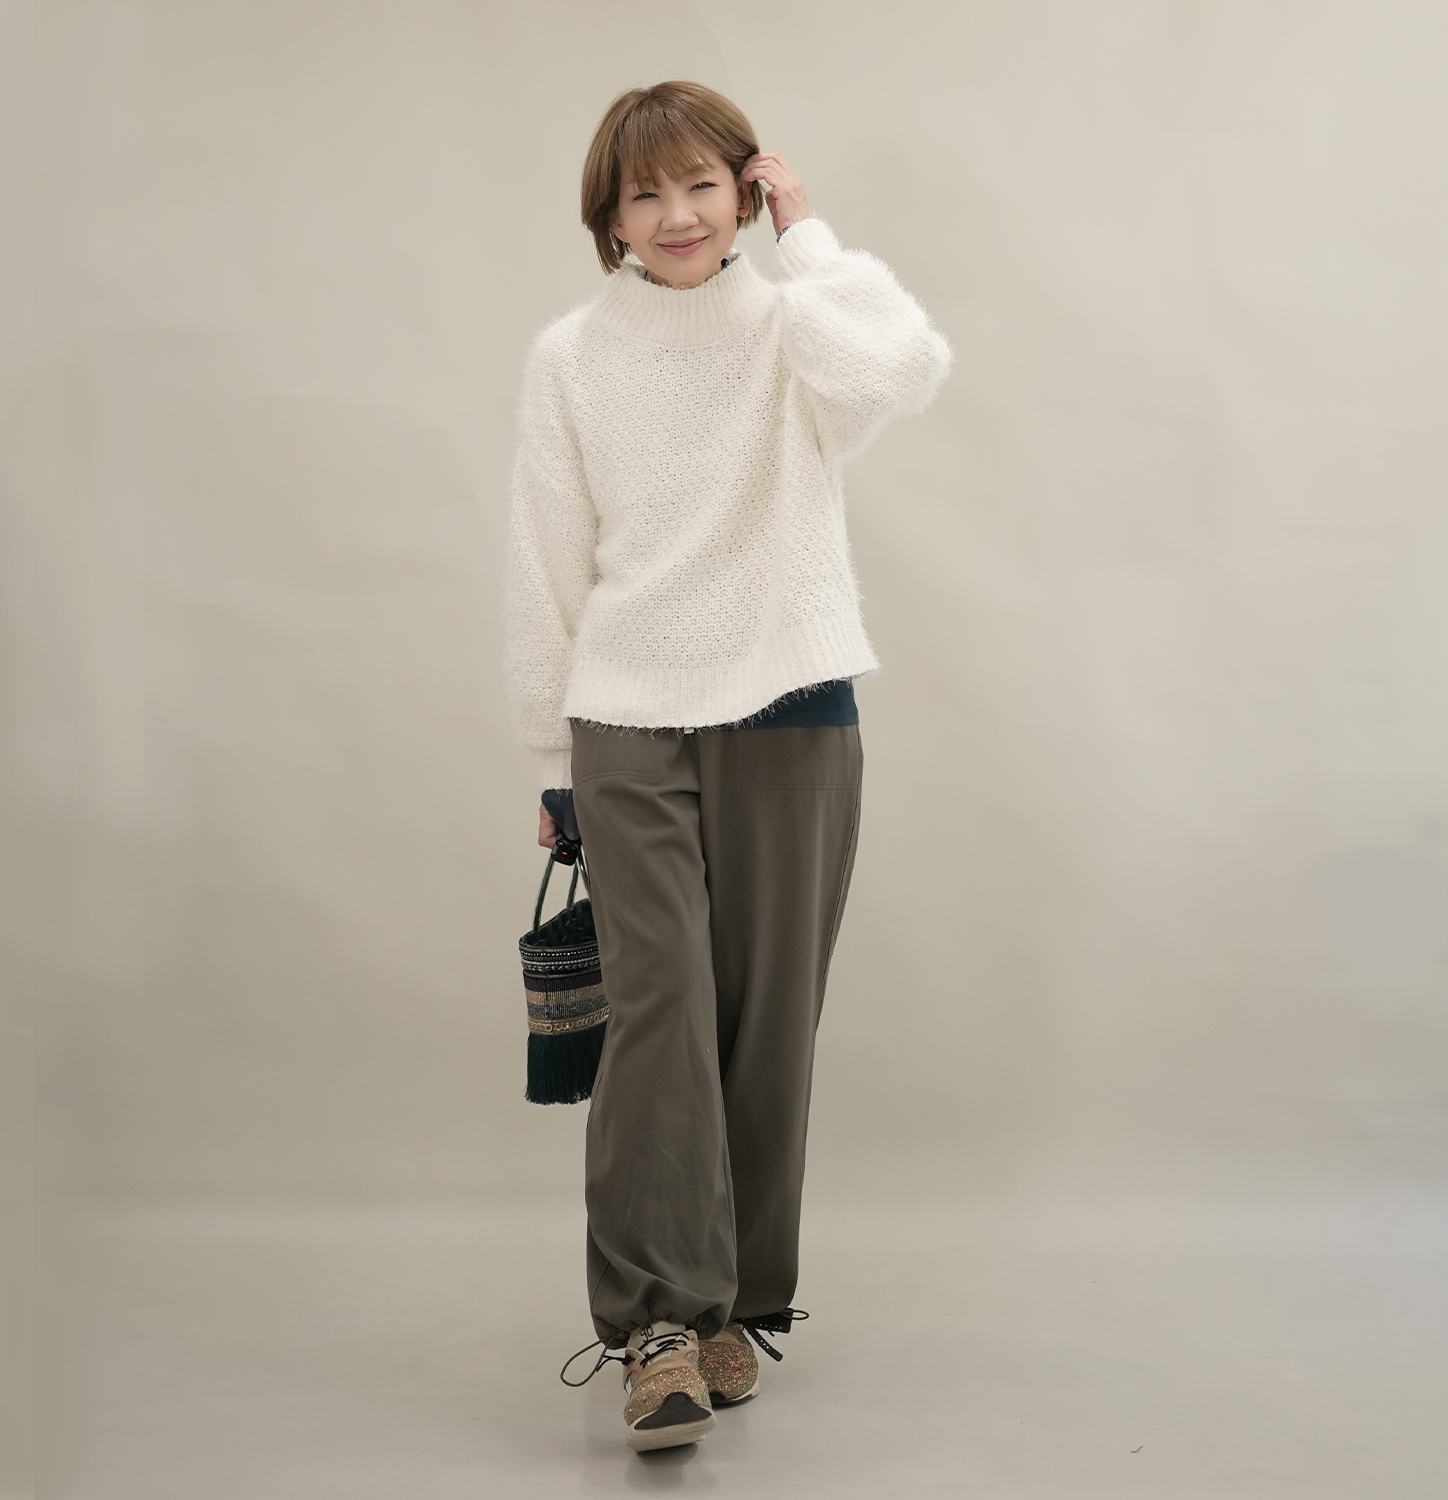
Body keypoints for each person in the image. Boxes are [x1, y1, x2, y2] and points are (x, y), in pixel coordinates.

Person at [506, 80, 951, 1452]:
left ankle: (734, 1310)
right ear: (609, 215)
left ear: (744, 190)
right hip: (627, 713)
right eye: (644, 192)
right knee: (659, 1012)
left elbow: (903, 371)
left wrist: (809, 240)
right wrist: (553, 757)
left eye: (702, 182)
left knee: (765, 1019)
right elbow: (545, 558)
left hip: (794, 699)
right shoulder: (571, 355)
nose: (677, 214)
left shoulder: (794, 326)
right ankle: (654, 1325)